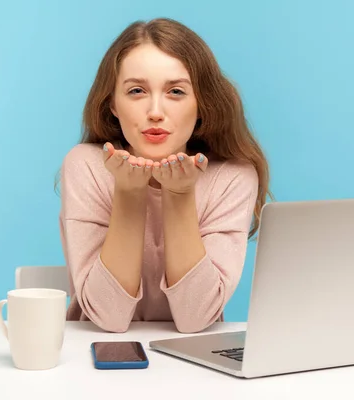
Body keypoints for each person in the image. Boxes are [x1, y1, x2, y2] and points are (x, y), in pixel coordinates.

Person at [58, 17, 271, 334]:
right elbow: (109, 317)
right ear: (113, 104)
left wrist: (180, 194)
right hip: (94, 357)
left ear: (202, 104)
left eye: (175, 91)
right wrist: (129, 194)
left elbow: (195, 318)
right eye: (136, 91)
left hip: (189, 363)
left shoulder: (233, 176)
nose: (155, 111)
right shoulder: (87, 165)